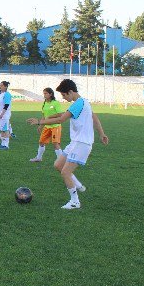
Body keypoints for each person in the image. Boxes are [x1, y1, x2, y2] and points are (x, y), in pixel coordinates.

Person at [26, 79, 109, 210]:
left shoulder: (77, 104)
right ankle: (78, 185)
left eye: (64, 95)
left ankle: (75, 201)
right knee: (58, 164)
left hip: (82, 143)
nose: (64, 98)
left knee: (65, 172)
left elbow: (61, 119)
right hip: (75, 142)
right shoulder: (84, 102)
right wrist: (102, 134)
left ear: (70, 92)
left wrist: (39, 122)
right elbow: (95, 118)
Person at [30, 88, 65, 162]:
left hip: (55, 126)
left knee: (55, 143)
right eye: (44, 93)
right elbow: (44, 116)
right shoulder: (44, 103)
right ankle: (39, 158)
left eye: (46, 93)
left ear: (51, 94)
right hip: (47, 126)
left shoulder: (56, 103)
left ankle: (61, 161)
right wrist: (40, 126)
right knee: (41, 142)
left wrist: (50, 117)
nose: (44, 95)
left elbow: (60, 114)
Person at [0, 81, 12, 149]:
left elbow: (6, 105)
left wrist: (2, 114)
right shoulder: (1, 94)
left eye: (2, 85)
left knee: (5, 130)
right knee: (2, 130)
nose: (0, 87)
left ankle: (6, 145)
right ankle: (2, 144)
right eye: (0, 85)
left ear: (5, 86)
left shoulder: (7, 94)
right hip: (0, 115)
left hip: (4, 115)